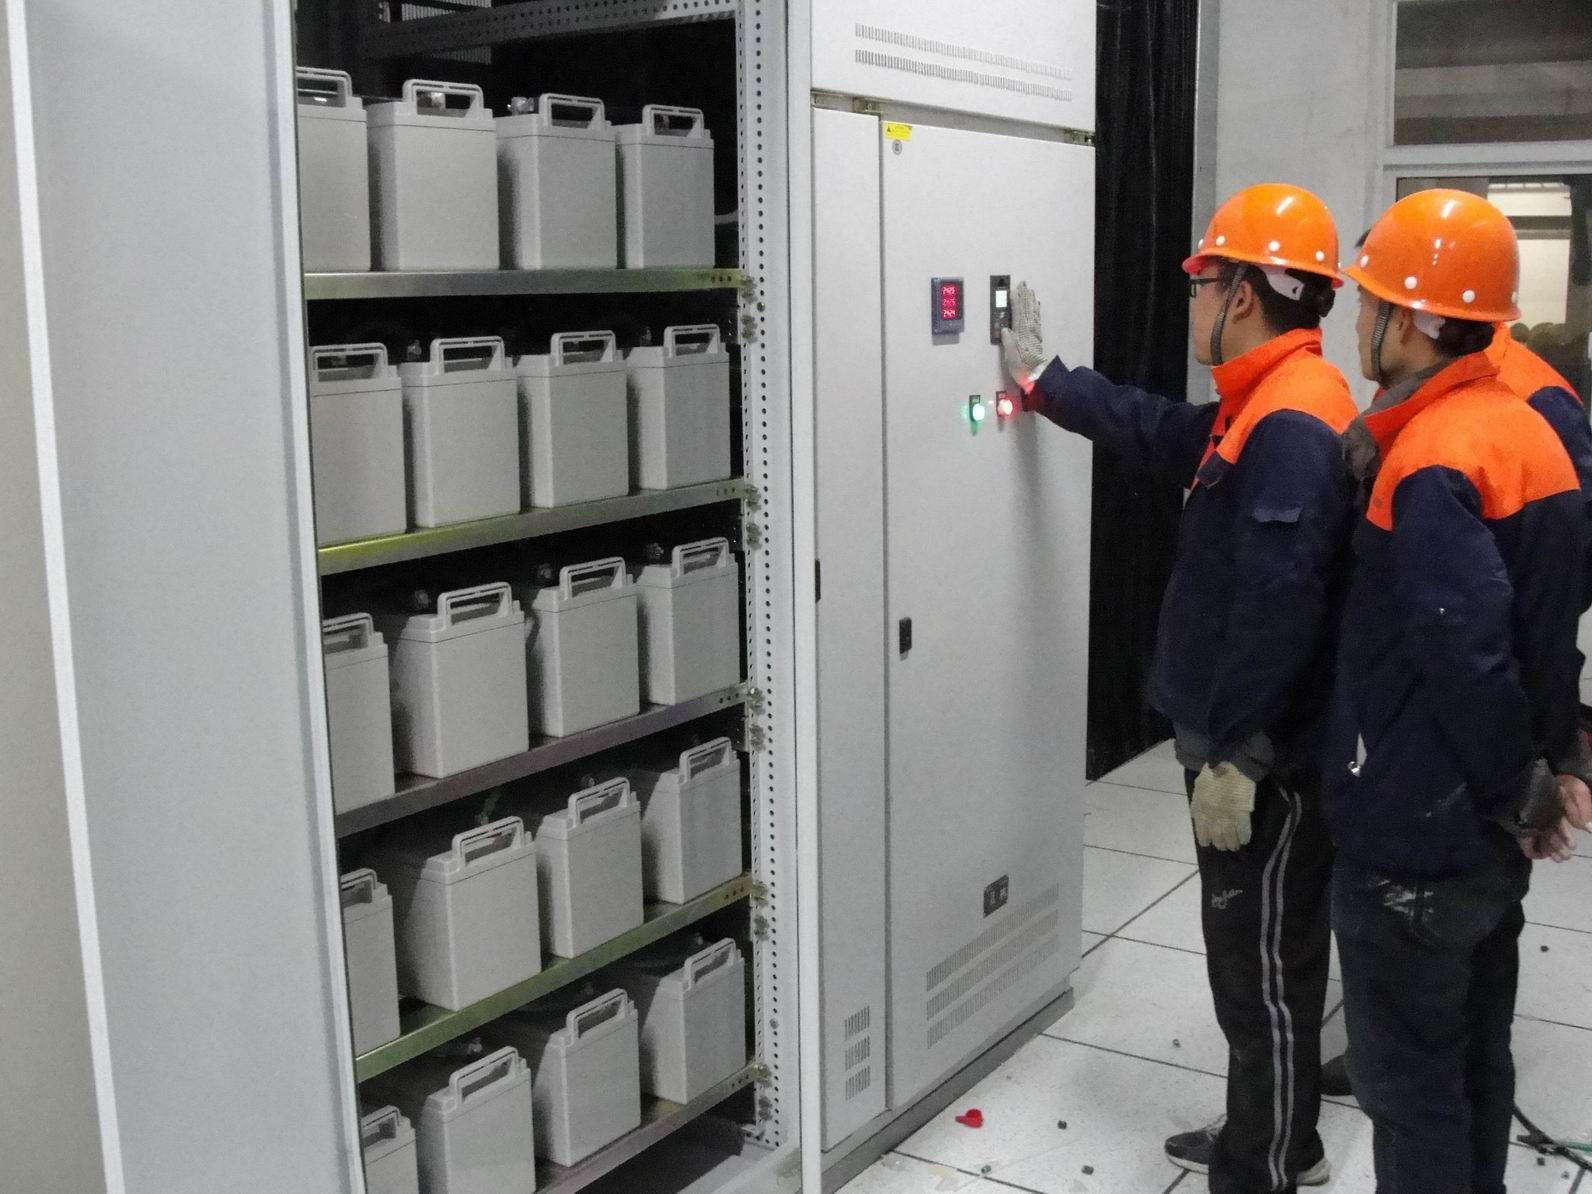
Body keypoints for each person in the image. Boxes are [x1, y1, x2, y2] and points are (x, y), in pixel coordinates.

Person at [1001, 183, 1356, 1192]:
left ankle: (1268, 1162)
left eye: (1201, 282)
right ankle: (1274, 1132)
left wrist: (1237, 756)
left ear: (1241, 293)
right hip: (1250, 743)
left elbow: (1279, 609)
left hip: (1264, 759)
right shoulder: (1267, 399)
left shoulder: (1291, 421)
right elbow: (1161, 430)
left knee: (1260, 966)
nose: (1191, 300)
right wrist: (1046, 382)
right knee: (1258, 955)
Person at [1324, 189, 1584, 1194]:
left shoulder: (1433, 461)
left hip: (1416, 829)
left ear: (1414, 321)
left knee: (1409, 1088)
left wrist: (1517, 790)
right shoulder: (1527, 431)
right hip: (1479, 842)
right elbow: (1546, 633)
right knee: (1476, 1055)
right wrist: (1549, 768)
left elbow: (1465, 658)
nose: (1355, 317)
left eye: (1369, 302)